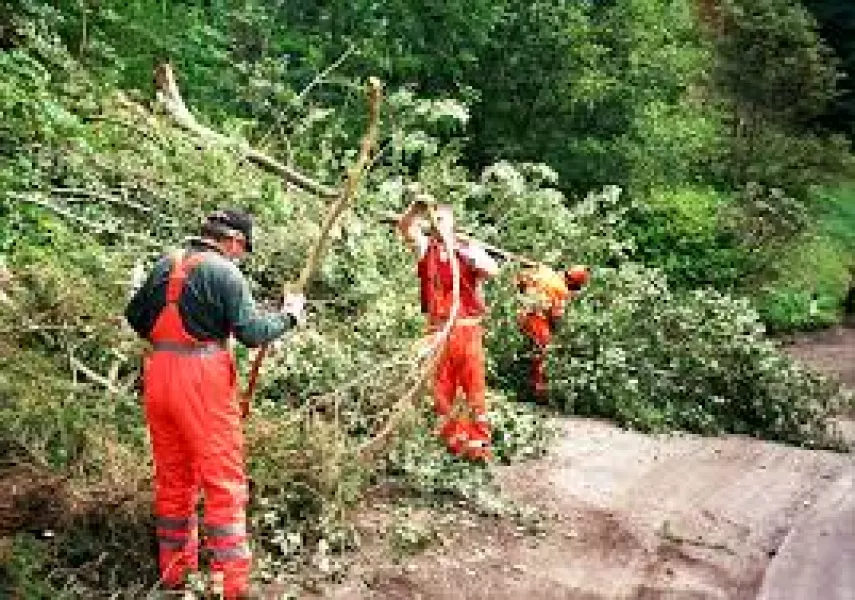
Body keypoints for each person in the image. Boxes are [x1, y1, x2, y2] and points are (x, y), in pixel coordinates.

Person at [125, 209, 305, 598]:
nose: (240, 257)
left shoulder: (164, 264)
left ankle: (175, 574)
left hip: (158, 375)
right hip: (201, 381)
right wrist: (290, 316)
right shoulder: (224, 273)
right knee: (223, 483)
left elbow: (134, 316)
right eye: (242, 251)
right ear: (235, 242)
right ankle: (231, 584)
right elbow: (253, 333)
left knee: (173, 479)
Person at [398, 196, 500, 461]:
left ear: (452, 222)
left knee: (473, 387)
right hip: (438, 330)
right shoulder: (426, 248)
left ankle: (478, 443)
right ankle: (453, 440)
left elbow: (492, 270)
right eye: (434, 219)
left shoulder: (467, 249)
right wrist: (414, 210)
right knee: (442, 388)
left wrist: (460, 248)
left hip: (468, 330)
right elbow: (406, 228)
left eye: (442, 219)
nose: (437, 223)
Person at [516, 264, 589, 400]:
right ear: (573, 284)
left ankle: (524, 381)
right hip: (536, 319)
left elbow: (521, 279)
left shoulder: (546, 271)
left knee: (533, 350)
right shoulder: (561, 291)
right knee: (544, 351)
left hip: (522, 311)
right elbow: (555, 317)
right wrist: (560, 333)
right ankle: (539, 391)